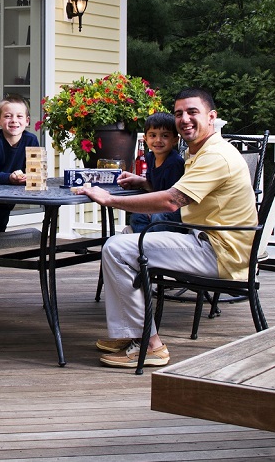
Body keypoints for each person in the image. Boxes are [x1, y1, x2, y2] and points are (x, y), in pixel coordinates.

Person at [80, 88, 257, 369]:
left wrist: (110, 199)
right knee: (122, 242)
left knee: (117, 248)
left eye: (192, 112)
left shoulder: (216, 156)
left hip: (219, 252)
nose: (184, 119)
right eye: (179, 114)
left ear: (212, 117)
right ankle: (131, 332)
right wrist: (144, 183)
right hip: (205, 239)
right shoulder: (201, 150)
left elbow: (172, 200)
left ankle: (151, 346)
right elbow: (175, 191)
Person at [0, 94, 40, 233]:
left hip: (10, 190)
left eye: (19, 116)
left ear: (27, 121)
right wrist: (10, 178)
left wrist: (26, 177)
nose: (14, 120)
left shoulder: (31, 140)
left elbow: (35, 172)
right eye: (8, 116)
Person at [120, 111, 186, 233]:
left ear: (175, 140)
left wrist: (152, 209)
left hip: (174, 211)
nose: (158, 140)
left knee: (158, 217)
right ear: (145, 138)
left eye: (165, 136)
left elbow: (171, 199)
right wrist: (141, 182)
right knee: (137, 214)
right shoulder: (150, 158)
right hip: (158, 205)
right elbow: (153, 186)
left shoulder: (174, 163)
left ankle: (153, 242)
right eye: (152, 135)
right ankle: (142, 239)